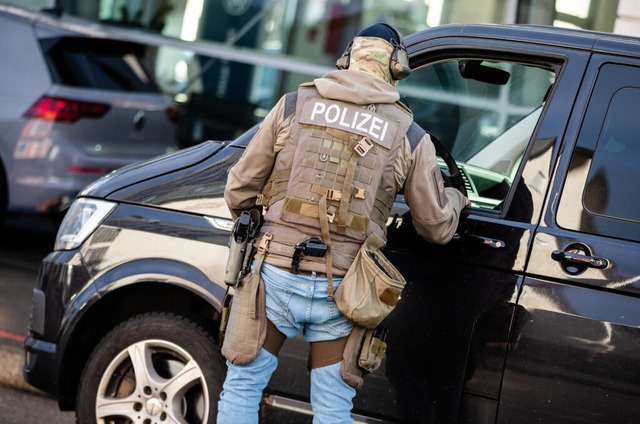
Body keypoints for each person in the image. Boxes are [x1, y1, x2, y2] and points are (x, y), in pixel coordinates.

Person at [218, 23, 469, 423]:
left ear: (349, 57)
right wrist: (457, 197)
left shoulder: (292, 105)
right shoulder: (410, 134)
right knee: (333, 407)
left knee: (243, 386)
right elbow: (435, 228)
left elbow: (239, 188)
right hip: (347, 290)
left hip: (275, 274)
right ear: (396, 66)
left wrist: (259, 218)